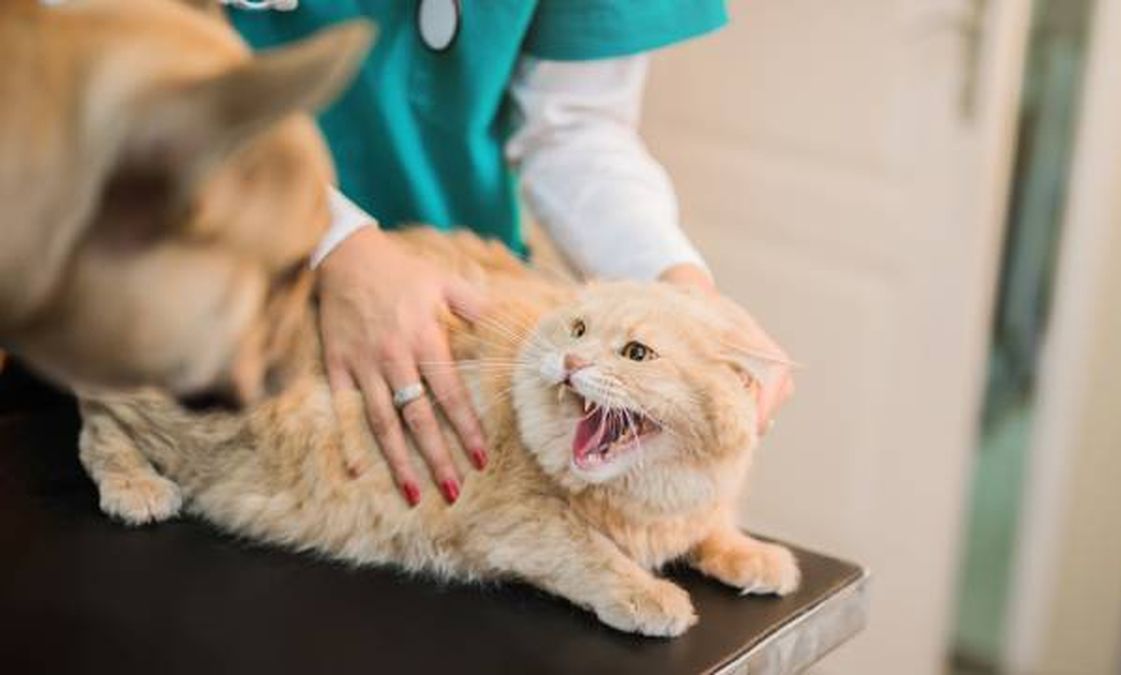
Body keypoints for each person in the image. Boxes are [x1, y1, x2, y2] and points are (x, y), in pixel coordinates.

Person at [224, 0, 793, 506]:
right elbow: (144, 78)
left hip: (453, 310)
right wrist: (333, 240)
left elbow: (572, 127)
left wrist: (678, 291)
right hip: (212, 270)